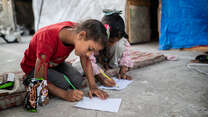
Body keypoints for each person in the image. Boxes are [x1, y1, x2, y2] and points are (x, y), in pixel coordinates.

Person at [20, 19, 109, 102]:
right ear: (81, 35)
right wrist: (65, 94)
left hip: (55, 63)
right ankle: (29, 78)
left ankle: (53, 75)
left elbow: (86, 60)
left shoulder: (76, 32)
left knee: (78, 80)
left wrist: (93, 87)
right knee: (63, 84)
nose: (89, 54)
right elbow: (40, 74)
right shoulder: (47, 38)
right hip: (34, 66)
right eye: (90, 49)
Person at [90, 10, 133, 85]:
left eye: (116, 41)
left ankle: (112, 66)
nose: (112, 44)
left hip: (108, 59)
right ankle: (100, 68)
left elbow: (126, 54)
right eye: (111, 41)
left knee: (119, 45)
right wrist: (99, 75)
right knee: (82, 68)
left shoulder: (120, 40)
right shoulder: (94, 39)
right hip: (97, 60)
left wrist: (124, 66)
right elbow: (88, 59)